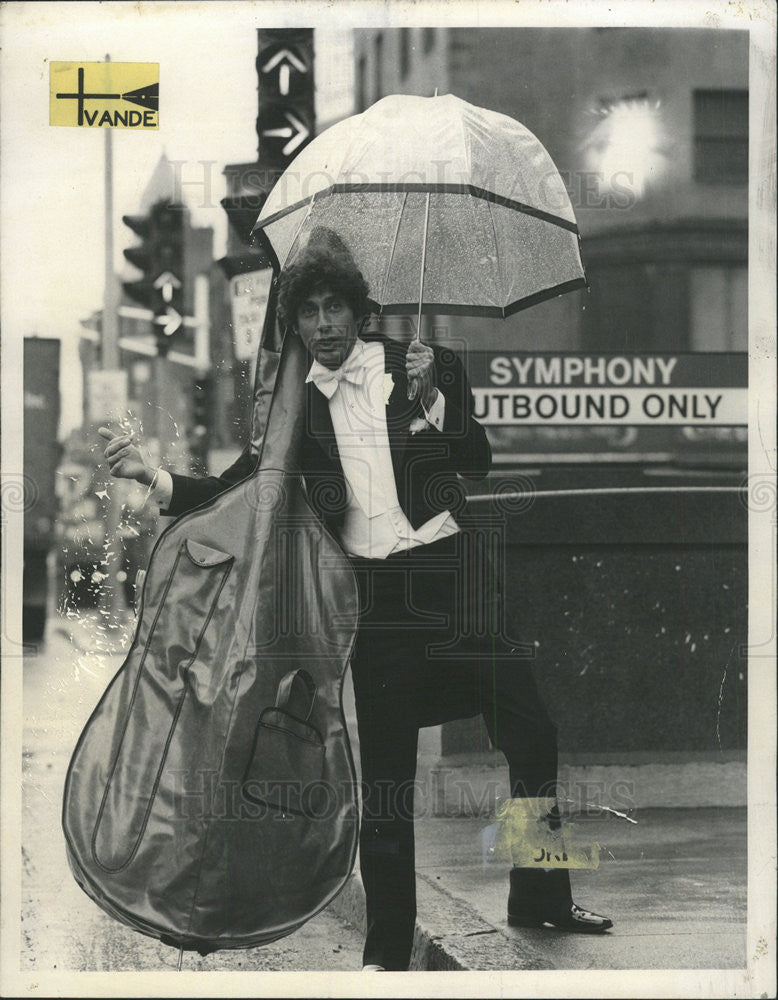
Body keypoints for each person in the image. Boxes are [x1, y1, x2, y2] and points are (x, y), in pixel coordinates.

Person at [100, 230, 612, 971]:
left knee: (534, 735)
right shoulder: (296, 415)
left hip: (456, 584)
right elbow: (242, 489)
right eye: (307, 313)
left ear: (358, 309)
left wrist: (435, 398)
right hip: (376, 609)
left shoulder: (421, 368)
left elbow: (476, 459)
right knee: (388, 787)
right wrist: (154, 478)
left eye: (333, 307)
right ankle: (385, 955)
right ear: (296, 327)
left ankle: (538, 893)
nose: (323, 325)